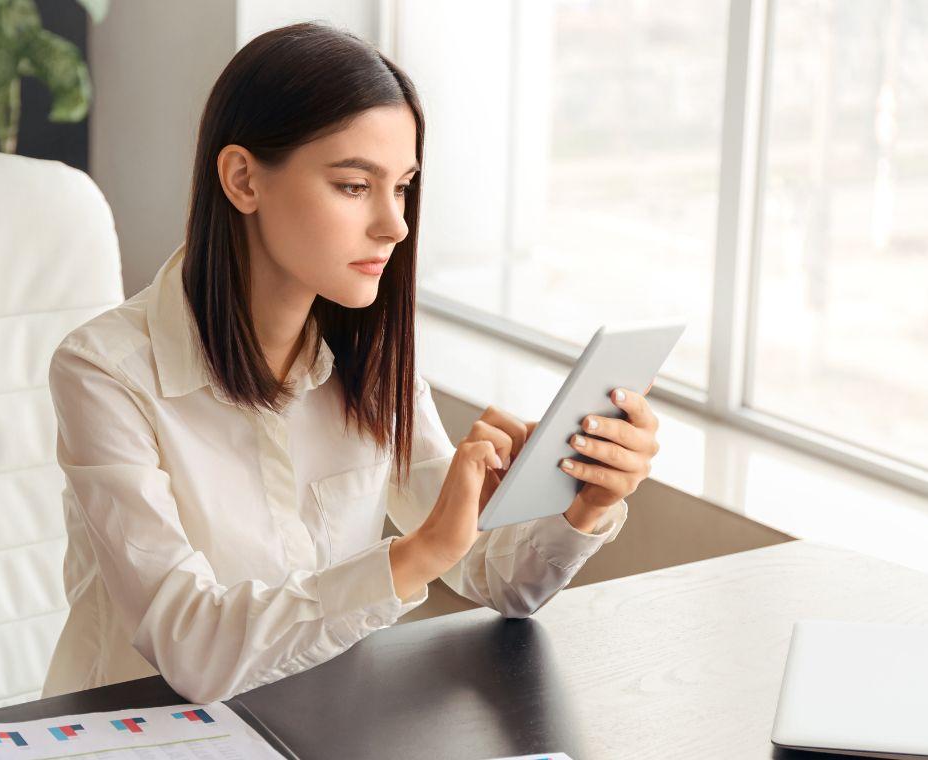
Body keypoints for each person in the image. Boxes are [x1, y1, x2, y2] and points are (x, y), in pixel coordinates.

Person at [42, 21, 658, 705]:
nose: (394, 223)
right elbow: (192, 648)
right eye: (354, 185)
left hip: (320, 725)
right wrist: (417, 552)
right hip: (131, 736)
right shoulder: (105, 373)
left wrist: (584, 502)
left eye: (402, 187)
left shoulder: (368, 357)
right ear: (243, 179)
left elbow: (500, 580)